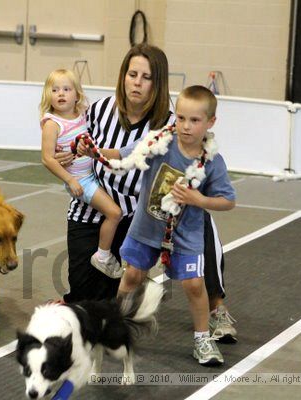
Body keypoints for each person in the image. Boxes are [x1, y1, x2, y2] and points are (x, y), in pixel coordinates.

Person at [115, 85, 236, 365]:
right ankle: (114, 322)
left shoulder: (213, 162)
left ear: (210, 123)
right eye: (180, 118)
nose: (186, 126)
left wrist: (198, 198)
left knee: (194, 285)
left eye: (195, 120)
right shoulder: (159, 142)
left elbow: (228, 202)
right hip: (147, 227)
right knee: (132, 276)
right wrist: (92, 150)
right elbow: (123, 154)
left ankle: (202, 340)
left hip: (186, 234)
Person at [55, 44, 171, 303]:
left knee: (110, 303)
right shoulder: (99, 110)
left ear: (158, 83)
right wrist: (66, 154)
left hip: (134, 221)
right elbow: (74, 147)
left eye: (146, 77)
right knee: (83, 301)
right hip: (89, 211)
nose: (137, 83)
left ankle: (137, 276)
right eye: (132, 75)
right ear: (123, 76)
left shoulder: (168, 125)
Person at [40, 69, 123, 278]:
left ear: (77, 94)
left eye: (67, 89)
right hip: (81, 180)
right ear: (47, 94)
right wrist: (70, 179)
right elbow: (47, 158)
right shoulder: (52, 124)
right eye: (55, 89)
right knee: (114, 213)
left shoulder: (83, 114)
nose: (61, 94)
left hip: (94, 173)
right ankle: (103, 255)